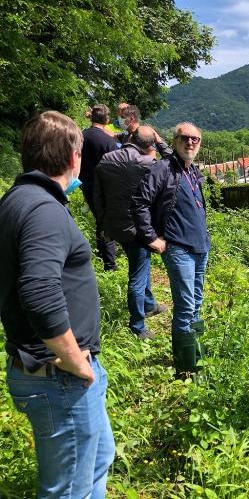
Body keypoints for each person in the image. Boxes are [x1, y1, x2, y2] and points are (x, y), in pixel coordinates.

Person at [0, 111, 115, 498]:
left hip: (55, 373)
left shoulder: (20, 200)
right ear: (73, 157)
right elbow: (38, 289)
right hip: (58, 375)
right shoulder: (43, 210)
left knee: (99, 458)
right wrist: (73, 359)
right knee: (68, 490)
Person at [132, 122, 210, 377]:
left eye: (195, 139)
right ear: (175, 141)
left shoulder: (193, 171)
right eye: (185, 138)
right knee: (186, 305)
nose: (190, 143)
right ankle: (185, 369)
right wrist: (150, 237)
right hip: (178, 248)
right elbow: (140, 202)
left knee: (196, 303)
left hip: (200, 247)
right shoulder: (162, 169)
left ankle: (195, 356)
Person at [94, 126, 171, 339]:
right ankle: (137, 327)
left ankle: (148, 304)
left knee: (141, 263)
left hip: (115, 226)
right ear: (150, 144)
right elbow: (174, 162)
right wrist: (159, 140)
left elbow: (98, 198)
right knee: (137, 275)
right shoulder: (148, 164)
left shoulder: (105, 160)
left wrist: (102, 226)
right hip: (139, 228)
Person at [81, 103, 119, 271]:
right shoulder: (108, 140)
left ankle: (100, 253)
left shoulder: (81, 136)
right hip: (104, 186)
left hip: (86, 184)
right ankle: (109, 264)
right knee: (106, 222)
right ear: (107, 119)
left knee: (99, 219)